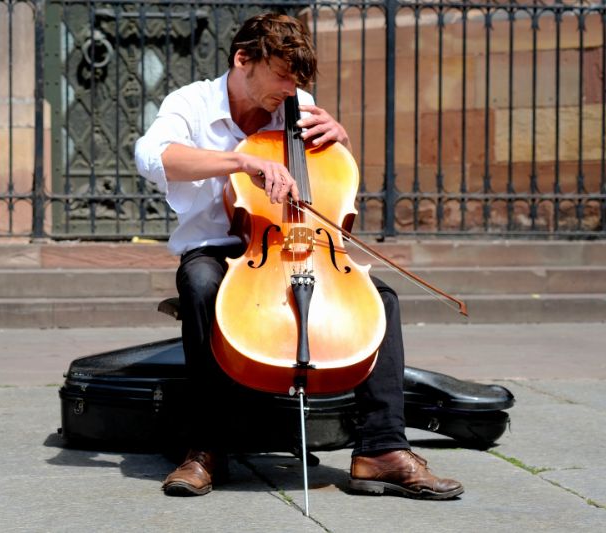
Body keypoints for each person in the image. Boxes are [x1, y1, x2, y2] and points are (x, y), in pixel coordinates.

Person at [135, 12, 463, 500]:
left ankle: (381, 449)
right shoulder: (192, 103)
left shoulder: (298, 104)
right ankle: (205, 449)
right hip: (217, 247)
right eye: (282, 76)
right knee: (202, 285)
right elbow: (153, 157)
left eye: (298, 80)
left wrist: (341, 141)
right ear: (243, 59)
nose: (291, 91)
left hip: (298, 243)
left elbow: (331, 185)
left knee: (382, 299)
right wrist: (242, 160)